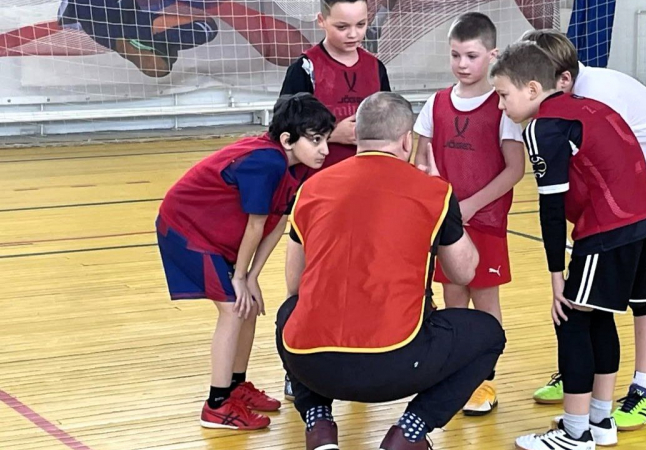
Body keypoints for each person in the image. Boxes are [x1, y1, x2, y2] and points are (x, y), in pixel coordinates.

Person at [277, 92, 506, 450]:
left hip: (312, 365)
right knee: (489, 333)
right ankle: (409, 433)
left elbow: (294, 284)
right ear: (406, 141)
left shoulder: (311, 188)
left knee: (289, 312)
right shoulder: (433, 191)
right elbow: (464, 273)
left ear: (357, 134)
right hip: (394, 364)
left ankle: (318, 424)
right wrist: (445, 207)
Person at [522, 30, 646, 432]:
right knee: (596, 294)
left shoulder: (598, 95)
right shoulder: (561, 101)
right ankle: (582, 375)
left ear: (561, 79)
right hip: (627, 185)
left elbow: (618, 163)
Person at [490, 42, 646, 450]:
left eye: (503, 95)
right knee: (598, 317)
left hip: (608, 228)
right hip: (643, 221)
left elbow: (551, 209)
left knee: (570, 319)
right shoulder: (591, 107)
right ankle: (600, 421)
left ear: (533, 89)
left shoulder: (544, 127)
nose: (500, 106)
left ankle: (575, 432)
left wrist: (556, 277)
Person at [156, 93, 335, 430]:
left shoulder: (296, 165)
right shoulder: (267, 161)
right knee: (233, 309)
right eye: (316, 140)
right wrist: (239, 277)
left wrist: (251, 277)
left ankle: (236, 385)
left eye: (326, 139)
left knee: (247, 305)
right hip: (185, 232)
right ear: (287, 139)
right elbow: (255, 224)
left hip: (214, 236)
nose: (325, 149)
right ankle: (216, 405)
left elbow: (278, 221)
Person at [413, 11, 524, 416]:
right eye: (455, 55)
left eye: (472, 56)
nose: (462, 64)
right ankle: (457, 375)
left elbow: (515, 169)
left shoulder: (502, 106)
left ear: (492, 55)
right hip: (446, 227)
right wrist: (432, 189)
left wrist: (472, 205)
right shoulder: (437, 103)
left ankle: (484, 378)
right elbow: (421, 158)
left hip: (486, 224)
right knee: (453, 298)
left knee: (485, 301)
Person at [279, 0, 391, 183]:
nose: (353, 34)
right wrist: (330, 134)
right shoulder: (305, 68)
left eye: (361, 24)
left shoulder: (376, 68)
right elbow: (283, 131)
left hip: (368, 179)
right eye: (342, 27)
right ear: (321, 21)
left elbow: (389, 125)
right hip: (316, 182)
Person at [59, 0, 219, 77]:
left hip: (110, 16)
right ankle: (157, 46)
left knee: (206, 28)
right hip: (107, 29)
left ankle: (156, 44)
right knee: (206, 28)